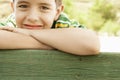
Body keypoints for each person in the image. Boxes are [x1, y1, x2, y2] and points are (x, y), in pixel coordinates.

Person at [0, 0, 100, 55]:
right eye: (23, 6)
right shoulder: (12, 22)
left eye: (44, 8)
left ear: (57, 12)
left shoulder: (62, 23)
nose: (32, 18)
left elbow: (92, 44)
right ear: (13, 8)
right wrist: (47, 44)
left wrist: (31, 33)